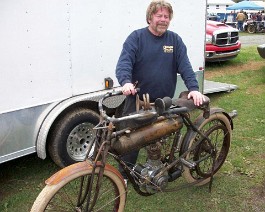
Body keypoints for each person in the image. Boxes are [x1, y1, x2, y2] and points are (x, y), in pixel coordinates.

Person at [115, 0, 205, 182]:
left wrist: (194, 89)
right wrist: (126, 82)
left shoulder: (174, 40)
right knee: (130, 138)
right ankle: (125, 175)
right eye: (159, 16)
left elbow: (185, 66)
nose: (163, 20)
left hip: (163, 101)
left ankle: (156, 168)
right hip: (138, 100)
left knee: (159, 134)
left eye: (166, 16)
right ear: (150, 18)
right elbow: (124, 63)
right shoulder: (136, 37)